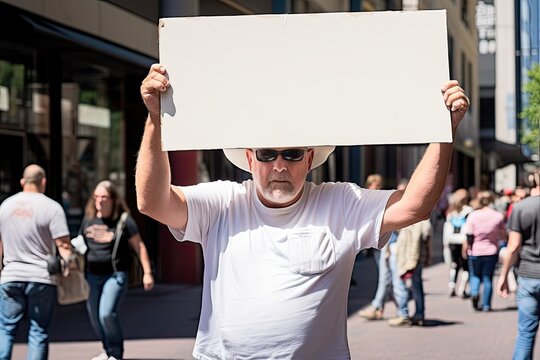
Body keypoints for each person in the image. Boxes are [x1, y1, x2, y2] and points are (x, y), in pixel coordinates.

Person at [136, 63, 469, 359]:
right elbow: (152, 202)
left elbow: (415, 206)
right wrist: (155, 119)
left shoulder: (341, 203)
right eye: (267, 154)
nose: (279, 165)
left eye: (292, 153)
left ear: (309, 159)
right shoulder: (223, 201)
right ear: (251, 159)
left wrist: (445, 130)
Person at [0, 164, 72, 360]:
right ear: (44, 182)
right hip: (41, 277)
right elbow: (64, 246)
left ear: (22, 182)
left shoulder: (5, 206)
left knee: (6, 329)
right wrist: (69, 266)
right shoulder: (52, 207)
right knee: (38, 331)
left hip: (10, 275)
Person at [81, 180, 154, 360]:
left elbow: (140, 247)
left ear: (113, 199)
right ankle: (107, 350)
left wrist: (147, 272)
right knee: (95, 317)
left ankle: (115, 352)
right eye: (96, 196)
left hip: (115, 276)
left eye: (104, 197)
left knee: (106, 314)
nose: (99, 200)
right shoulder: (89, 218)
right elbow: (81, 242)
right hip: (91, 276)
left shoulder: (123, 221)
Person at [497, 172, 540, 359]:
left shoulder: (521, 207)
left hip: (529, 275)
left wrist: (503, 276)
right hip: (528, 275)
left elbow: (513, 246)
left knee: (526, 332)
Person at [357, 175, 403, 321]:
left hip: (388, 242)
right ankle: (384, 308)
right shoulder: (363, 199)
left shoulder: (383, 200)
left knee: (387, 277)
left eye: (378, 185)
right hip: (376, 244)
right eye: (372, 185)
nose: (375, 188)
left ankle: (381, 307)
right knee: (386, 276)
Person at [462, 190, 506, 311]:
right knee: (488, 277)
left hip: (475, 250)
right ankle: (486, 305)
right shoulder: (498, 216)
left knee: (475, 275)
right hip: (491, 251)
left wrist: (466, 248)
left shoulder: (473, 215)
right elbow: (503, 235)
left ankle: (475, 292)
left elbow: (468, 234)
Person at [390, 217, 432, 327]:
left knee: (401, 282)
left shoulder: (412, 216)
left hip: (409, 255)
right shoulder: (423, 217)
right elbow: (427, 234)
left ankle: (404, 313)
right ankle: (419, 314)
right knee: (417, 284)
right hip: (417, 254)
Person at [442, 188, 473, 297]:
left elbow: (447, 228)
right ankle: (462, 289)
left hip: (452, 241)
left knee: (454, 265)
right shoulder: (469, 211)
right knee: (466, 267)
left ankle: (452, 286)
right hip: (464, 241)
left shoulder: (451, 212)